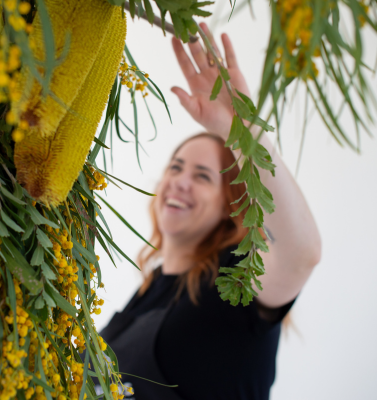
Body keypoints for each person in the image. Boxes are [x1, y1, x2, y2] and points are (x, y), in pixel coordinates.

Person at [98, 23, 322, 400]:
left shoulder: (231, 283)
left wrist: (242, 130)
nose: (180, 181)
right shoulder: (150, 289)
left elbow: (302, 255)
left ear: (229, 204)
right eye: (175, 167)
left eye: (202, 176)